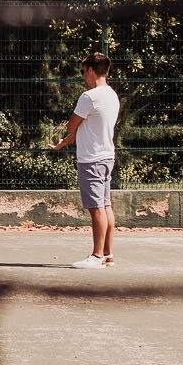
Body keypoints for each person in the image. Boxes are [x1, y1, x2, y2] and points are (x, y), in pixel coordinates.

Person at [49, 52, 119, 268]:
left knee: (96, 208)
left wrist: (68, 133)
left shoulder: (89, 97)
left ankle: (97, 257)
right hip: (106, 157)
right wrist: (64, 142)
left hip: (91, 160)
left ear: (90, 70)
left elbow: (72, 124)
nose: (82, 76)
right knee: (105, 206)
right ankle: (107, 255)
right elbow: (87, 127)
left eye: (82, 71)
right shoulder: (112, 95)